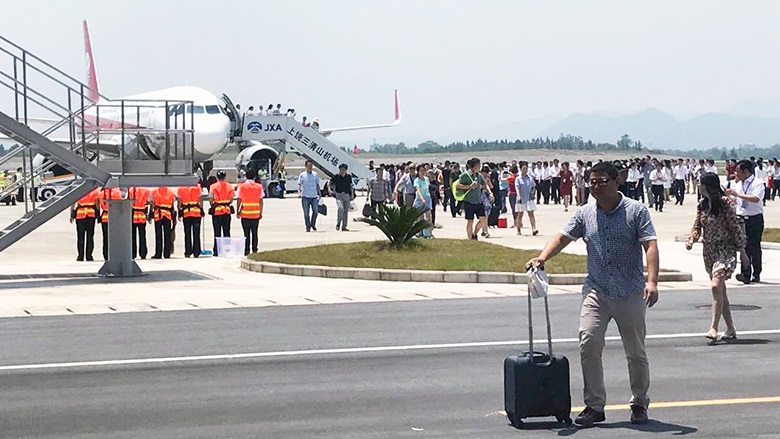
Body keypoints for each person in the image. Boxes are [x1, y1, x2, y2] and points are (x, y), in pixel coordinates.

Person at [528, 161, 659, 428]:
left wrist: (652, 281)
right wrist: (542, 257)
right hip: (596, 292)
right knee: (588, 343)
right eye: (592, 182)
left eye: (602, 181)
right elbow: (563, 237)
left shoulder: (636, 211)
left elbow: (650, 245)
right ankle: (594, 405)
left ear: (617, 181)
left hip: (629, 292)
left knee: (635, 352)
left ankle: (639, 403)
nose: (597, 187)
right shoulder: (585, 213)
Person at [686, 173, 745, 342]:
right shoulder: (702, 205)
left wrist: (742, 251)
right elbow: (697, 226)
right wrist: (692, 239)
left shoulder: (725, 204)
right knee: (720, 291)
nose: (699, 186)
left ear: (707, 186)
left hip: (725, 250)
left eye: (700, 184)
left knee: (715, 285)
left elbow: (735, 227)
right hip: (709, 251)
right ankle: (731, 328)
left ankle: (714, 327)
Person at [726, 160, 765, 284]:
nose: (736, 175)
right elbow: (737, 200)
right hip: (741, 219)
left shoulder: (758, 183)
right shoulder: (739, 184)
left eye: (738, 172)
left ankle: (756, 273)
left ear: (745, 171)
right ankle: (745, 273)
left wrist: (738, 194)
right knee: (743, 247)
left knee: (754, 246)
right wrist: (729, 196)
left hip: (754, 219)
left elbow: (755, 198)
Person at [456, 158, 489, 240]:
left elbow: (484, 184)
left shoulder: (479, 175)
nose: (480, 167)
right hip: (469, 201)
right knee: (470, 221)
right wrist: (469, 186)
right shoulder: (465, 175)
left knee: (483, 219)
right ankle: (470, 238)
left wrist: (489, 192)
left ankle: (474, 233)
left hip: (478, 201)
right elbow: (458, 185)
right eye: (479, 165)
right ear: (475, 166)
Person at [237, 168, 264, 255]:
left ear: (246, 176)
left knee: (246, 234)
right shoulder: (259, 186)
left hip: (245, 214)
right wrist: (260, 212)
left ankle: (246, 250)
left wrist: (238, 211)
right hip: (255, 214)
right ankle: (255, 249)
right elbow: (261, 201)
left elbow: (239, 199)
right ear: (255, 177)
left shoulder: (242, 186)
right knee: (255, 233)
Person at [70, 187, 100, 261]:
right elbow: (97, 204)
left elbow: (73, 204)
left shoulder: (78, 190)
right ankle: (89, 256)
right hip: (91, 214)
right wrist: (98, 215)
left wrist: (71, 215)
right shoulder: (95, 191)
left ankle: (80, 256)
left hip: (80, 214)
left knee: (80, 237)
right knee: (90, 237)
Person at [209, 170, 235, 255]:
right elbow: (231, 199)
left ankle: (217, 251)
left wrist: (213, 205)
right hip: (227, 211)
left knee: (217, 232)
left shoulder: (213, 186)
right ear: (225, 176)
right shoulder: (230, 186)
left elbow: (211, 199)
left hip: (217, 212)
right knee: (227, 231)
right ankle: (227, 250)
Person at [177, 182, 204, 258]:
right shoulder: (198, 187)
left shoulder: (181, 188)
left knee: (187, 233)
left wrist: (179, 212)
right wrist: (202, 210)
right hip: (196, 212)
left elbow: (179, 202)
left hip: (186, 213)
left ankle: (188, 251)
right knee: (196, 233)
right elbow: (200, 200)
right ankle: (196, 251)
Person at [151, 186, 176, 259]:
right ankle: (167, 253)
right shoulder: (171, 192)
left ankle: (158, 253)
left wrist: (150, 213)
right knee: (167, 235)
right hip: (167, 215)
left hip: (158, 215)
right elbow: (172, 206)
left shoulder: (155, 192)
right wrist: (174, 218)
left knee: (158, 235)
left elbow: (152, 203)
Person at [98, 186, 122, 260]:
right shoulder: (117, 192)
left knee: (105, 238)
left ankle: (106, 255)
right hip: (115, 217)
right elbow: (120, 205)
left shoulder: (100, 193)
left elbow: (98, 205)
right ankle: (115, 255)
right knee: (115, 237)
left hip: (105, 217)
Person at [514, 163, 538, 236]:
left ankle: (534, 228)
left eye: (526, 169)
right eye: (524, 168)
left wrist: (533, 193)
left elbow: (533, 186)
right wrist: (518, 196)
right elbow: (517, 187)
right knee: (520, 214)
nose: (525, 170)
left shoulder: (530, 178)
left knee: (531, 214)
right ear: (520, 169)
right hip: (521, 198)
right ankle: (518, 228)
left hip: (529, 198)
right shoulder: (518, 179)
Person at [297, 160, 321, 232]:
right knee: (306, 213)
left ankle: (313, 224)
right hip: (305, 196)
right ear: (306, 166)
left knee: (316, 211)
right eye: (309, 166)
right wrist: (299, 192)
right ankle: (308, 226)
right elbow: (299, 184)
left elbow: (317, 184)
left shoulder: (315, 174)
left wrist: (320, 194)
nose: (310, 167)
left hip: (314, 196)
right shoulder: (302, 175)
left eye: (311, 166)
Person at [330, 163, 355, 232]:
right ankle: (338, 222)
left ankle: (344, 226)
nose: (342, 170)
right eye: (341, 169)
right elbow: (330, 182)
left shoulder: (348, 177)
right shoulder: (336, 176)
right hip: (339, 195)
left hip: (346, 195)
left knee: (345, 211)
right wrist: (330, 190)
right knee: (340, 208)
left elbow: (351, 186)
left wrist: (352, 194)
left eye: (343, 169)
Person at [129, 186, 151, 260]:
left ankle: (133, 254)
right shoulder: (146, 191)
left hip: (133, 216)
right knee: (142, 236)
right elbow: (150, 202)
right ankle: (143, 254)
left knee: (132, 236)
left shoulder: (130, 190)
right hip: (142, 216)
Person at [413, 165, 433, 238]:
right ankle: (419, 233)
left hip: (427, 198)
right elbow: (418, 190)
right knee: (420, 217)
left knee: (428, 216)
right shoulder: (416, 181)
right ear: (418, 172)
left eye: (423, 170)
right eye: (421, 170)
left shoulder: (426, 179)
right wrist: (422, 199)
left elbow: (428, 189)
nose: (422, 172)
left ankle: (428, 232)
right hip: (419, 199)